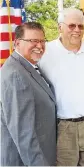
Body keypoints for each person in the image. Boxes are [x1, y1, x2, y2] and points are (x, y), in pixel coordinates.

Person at [39, 8, 84, 166]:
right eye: (72, 26)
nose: (77, 30)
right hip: (62, 127)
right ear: (60, 27)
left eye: (80, 26)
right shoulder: (45, 52)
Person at [0, 22, 56, 166]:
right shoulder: (16, 75)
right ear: (17, 43)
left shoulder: (29, 66)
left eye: (42, 41)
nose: (39, 46)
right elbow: (23, 133)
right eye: (33, 41)